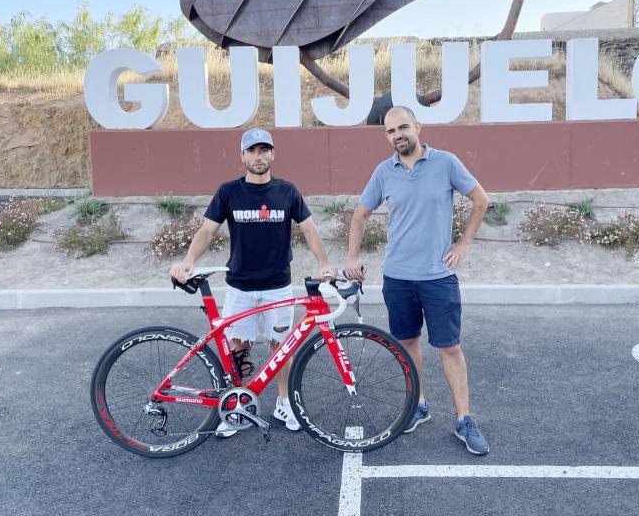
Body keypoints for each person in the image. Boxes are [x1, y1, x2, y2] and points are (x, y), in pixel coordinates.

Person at [344, 106, 491, 455]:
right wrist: (352, 257)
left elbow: (481, 200)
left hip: (438, 278)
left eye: (403, 127)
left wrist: (464, 242)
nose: (398, 135)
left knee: (449, 347)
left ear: (418, 127)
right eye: (391, 131)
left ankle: (464, 419)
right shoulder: (384, 172)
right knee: (407, 344)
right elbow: (361, 214)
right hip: (398, 278)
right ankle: (419, 405)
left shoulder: (446, 163)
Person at [171, 127, 334, 437]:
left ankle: (284, 402)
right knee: (239, 347)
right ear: (242, 156)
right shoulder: (229, 191)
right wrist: (189, 260)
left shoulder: (287, 191)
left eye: (264, 150)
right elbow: (207, 231)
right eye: (252, 151)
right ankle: (237, 406)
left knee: (280, 348)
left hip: (277, 285)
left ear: (273, 154)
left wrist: (323, 262)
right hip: (240, 286)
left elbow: (309, 230)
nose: (259, 157)